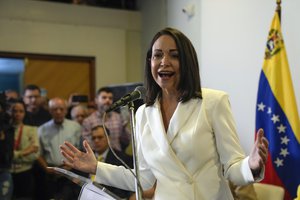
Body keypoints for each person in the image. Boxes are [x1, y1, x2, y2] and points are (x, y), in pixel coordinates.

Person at [60, 27, 269, 200]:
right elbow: (144, 178)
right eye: (157, 55)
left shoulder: (213, 102)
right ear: (150, 62)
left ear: (187, 62)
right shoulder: (143, 113)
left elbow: (232, 167)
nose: (164, 61)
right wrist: (96, 167)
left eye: (174, 55)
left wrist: (251, 164)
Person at [38, 97, 82, 200]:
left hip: (71, 172)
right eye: (54, 109)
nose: (58, 112)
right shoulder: (42, 129)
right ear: (50, 111)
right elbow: (38, 153)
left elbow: (81, 150)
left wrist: (72, 166)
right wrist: (47, 169)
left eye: (61, 109)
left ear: (66, 110)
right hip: (51, 174)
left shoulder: (76, 127)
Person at [90, 125, 133, 199]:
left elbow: (123, 187)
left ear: (108, 138)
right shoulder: (85, 157)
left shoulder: (122, 159)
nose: (96, 140)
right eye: (93, 138)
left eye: (100, 137)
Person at [82, 87, 130, 151]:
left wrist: (125, 126)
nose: (107, 100)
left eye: (110, 98)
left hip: (116, 157)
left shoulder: (118, 118)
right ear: (96, 100)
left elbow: (126, 141)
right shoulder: (88, 121)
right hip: (97, 158)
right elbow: (86, 145)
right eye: (104, 98)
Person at [9, 100, 39, 199]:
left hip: (25, 172)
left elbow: (34, 154)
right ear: (9, 112)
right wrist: (25, 152)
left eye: (21, 111)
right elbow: (3, 155)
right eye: (14, 111)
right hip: (7, 172)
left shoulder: (32, 130)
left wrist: (12, 155)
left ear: (25, 113)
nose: (17, 114)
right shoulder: (4, 130)